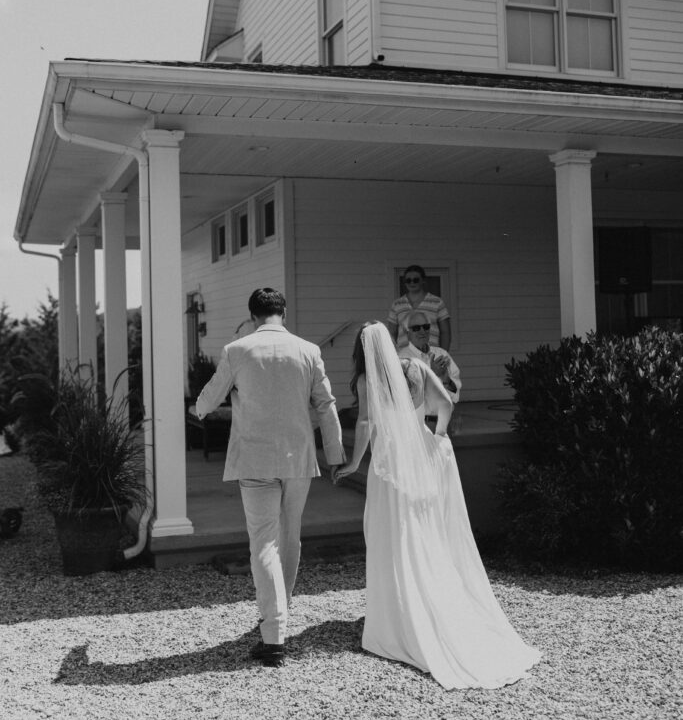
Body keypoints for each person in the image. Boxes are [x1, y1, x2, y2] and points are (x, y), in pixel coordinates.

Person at [334, 321, 540, 690]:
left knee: (392, 535)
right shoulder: (415, 367)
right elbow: (444, 403)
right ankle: (433, 599)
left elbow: (366, 422)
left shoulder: (369, 381)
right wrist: (437, 438)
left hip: (390, 466)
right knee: (424, 530)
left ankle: (398, 617)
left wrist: (352, 463)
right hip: (422, 460)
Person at [196, 288, 345, 668]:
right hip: (298, 459)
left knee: (264, 542)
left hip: (255, 460)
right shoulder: (309, 350)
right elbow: (326, 406)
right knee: (290, 535)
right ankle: (280, 611)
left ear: (253, 315)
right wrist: (337, 455)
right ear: (283, 313)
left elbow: (209, 399)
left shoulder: (238, 350)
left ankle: (274, 632)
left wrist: (197, 409)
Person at [401, 309, 462, 406]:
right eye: (416, 328)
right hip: (416, 420)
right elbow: (406, 397)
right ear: (406, 331)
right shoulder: (401, 359)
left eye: (426, 327)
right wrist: (433, 375)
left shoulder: (442, 354)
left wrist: (446, 380)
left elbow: (455, 396)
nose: (422, 331)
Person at [387, 264, 451, 351]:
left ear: (423, 280)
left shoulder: (437, 302)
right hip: (404, 357)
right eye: (408, 280)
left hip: (431, 355)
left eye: (415, 280)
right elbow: (392, 333)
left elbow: (445, 332)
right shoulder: (397, 304)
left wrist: (443, 354)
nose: (412, 283)